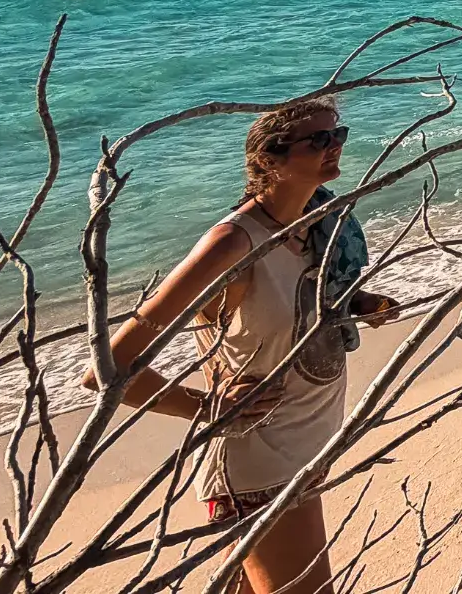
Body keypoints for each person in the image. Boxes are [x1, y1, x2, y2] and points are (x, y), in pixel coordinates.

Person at [91, 98, 398, 594]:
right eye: (318, 140)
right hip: (259, 467)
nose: (334, 146)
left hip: (306, 449)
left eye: (337, 134)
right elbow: (108, 368)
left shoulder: (319, 224)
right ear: (270, 160)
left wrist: (356, 300)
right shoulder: (232, 245)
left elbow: (287, 304)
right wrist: (206, 405)